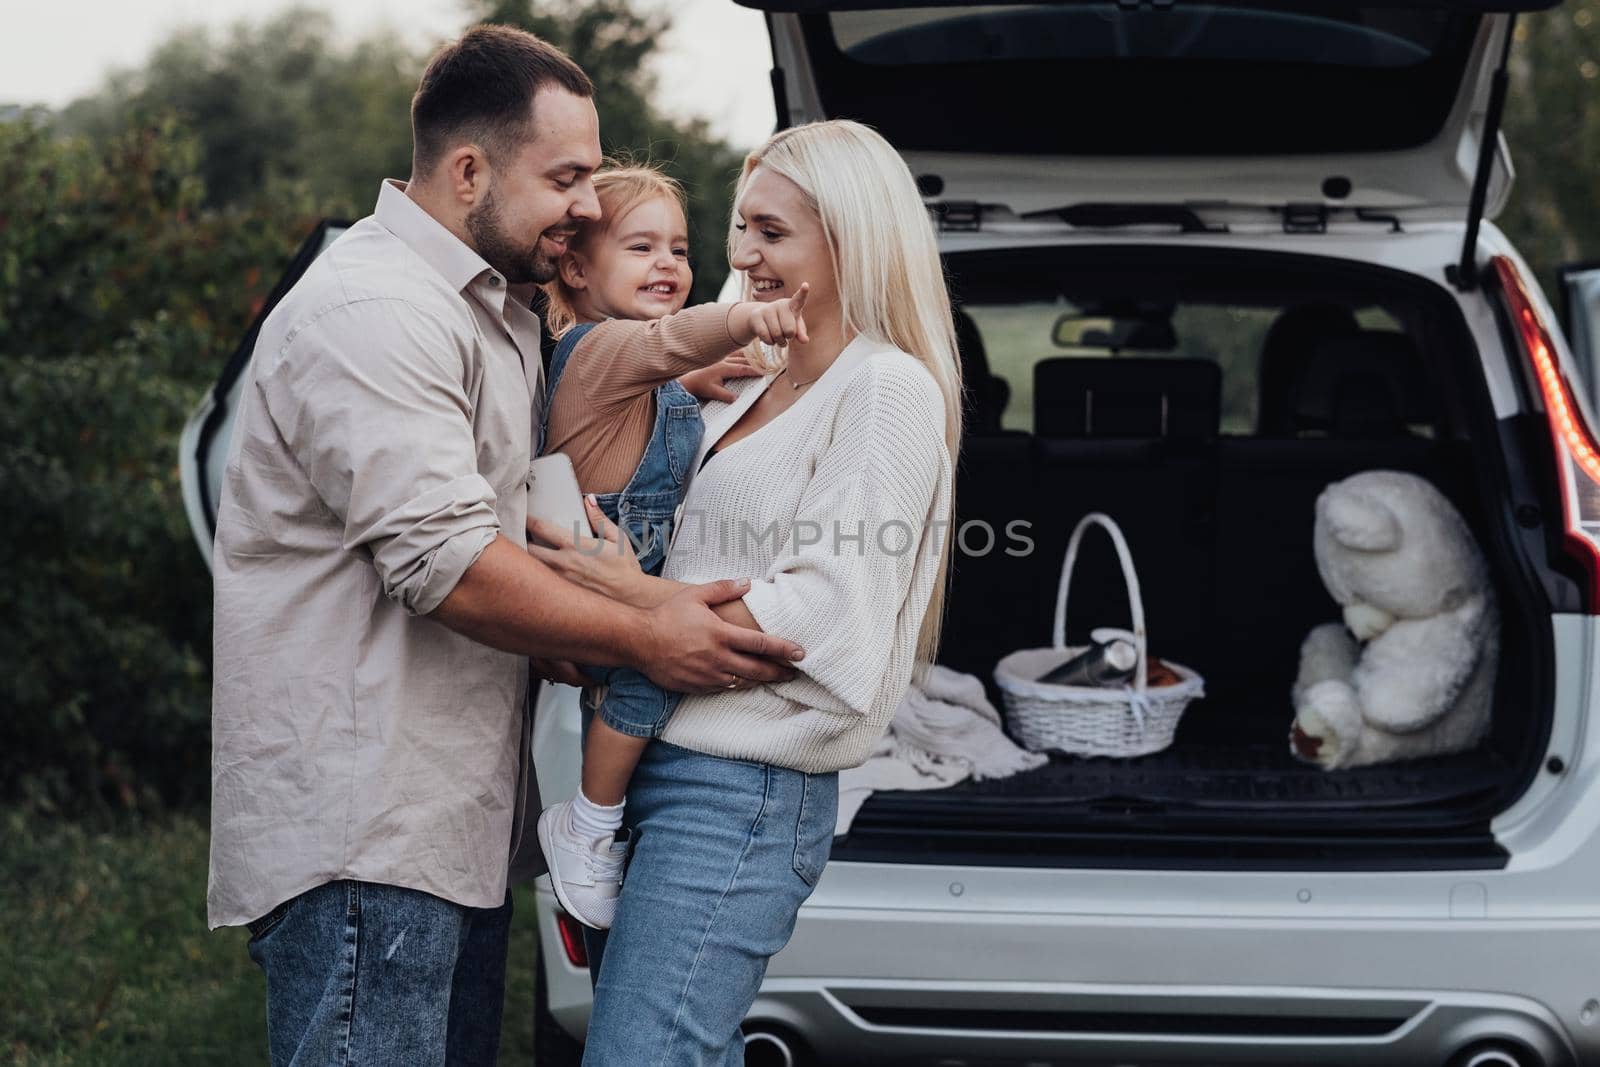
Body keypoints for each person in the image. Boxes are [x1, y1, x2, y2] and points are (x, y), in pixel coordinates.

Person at [207, 26, 805, 1067]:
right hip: (371, 831)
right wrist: (646, 628)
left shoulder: (490, 310)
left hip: (454, 828)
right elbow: (446, 565)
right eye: (567, 176)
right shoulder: (375, 309)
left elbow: (528, 500)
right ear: (470, 169)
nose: (587, 204)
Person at [529, 118, 963, 1064]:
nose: (740, 255)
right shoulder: (756, 383)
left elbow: (824, 615)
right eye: (740, 228)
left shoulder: (885, 389)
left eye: (772, 231)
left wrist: (624, 606)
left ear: (849, 236)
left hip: (741, 787)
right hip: (656, 765)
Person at [529, 163, 814, 929]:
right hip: (589, 587)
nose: (669, 265)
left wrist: (690, 386)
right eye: (641, 247)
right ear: (578, 268)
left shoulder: (639, 373)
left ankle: (603, 821)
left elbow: (650, 386)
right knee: (657, 662)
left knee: (670, 642)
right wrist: (745, 321)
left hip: (621, 570)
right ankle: (586, 826)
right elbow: (659, 344)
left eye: (681, 250)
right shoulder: (593, 349)